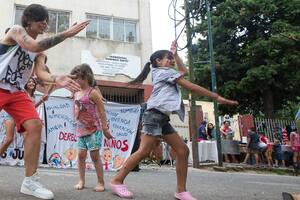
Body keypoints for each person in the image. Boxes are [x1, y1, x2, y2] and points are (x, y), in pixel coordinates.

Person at [109, 41, 238, 200]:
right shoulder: (163, 72)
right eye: (168, 58)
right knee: (143, 151)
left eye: (171, 59)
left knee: (183, 150)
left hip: (162, 118)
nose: (171, 61)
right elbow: (190, 86)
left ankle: (181, 191)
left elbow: (183, 71)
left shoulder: (166, 71)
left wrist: (175, 54)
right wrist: (216, 97)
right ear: (158, 61)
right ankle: (116, 180)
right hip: (154, 115)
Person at [0, 4, 89, 199]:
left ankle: (30, 181)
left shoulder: (40, 54)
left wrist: (56, 78)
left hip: (16, 91)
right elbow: (33, 45)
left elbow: (40, 72)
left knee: (34, 126)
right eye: (42, 19)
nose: (45, 23)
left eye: (47, 20)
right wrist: (66, 34)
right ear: (29, 20)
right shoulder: (16, 31)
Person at [70, 63, 113, 192]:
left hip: (94, 129)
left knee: (94, 156)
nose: (74, 81)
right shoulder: (76, 92)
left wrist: (105, 128)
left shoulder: (93, 93)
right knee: (81, 155)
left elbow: (101, 110)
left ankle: (100, 182)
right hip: (81, 129)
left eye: (76, 78)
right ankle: (81, 180)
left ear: (85, 77)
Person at [290, 109, 300, 175]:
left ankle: (298, 167)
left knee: (299, 156)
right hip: (295, 146)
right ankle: (295, 167)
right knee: (295, 156)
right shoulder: (292, 133)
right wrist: (292, 146)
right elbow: (291, 140)